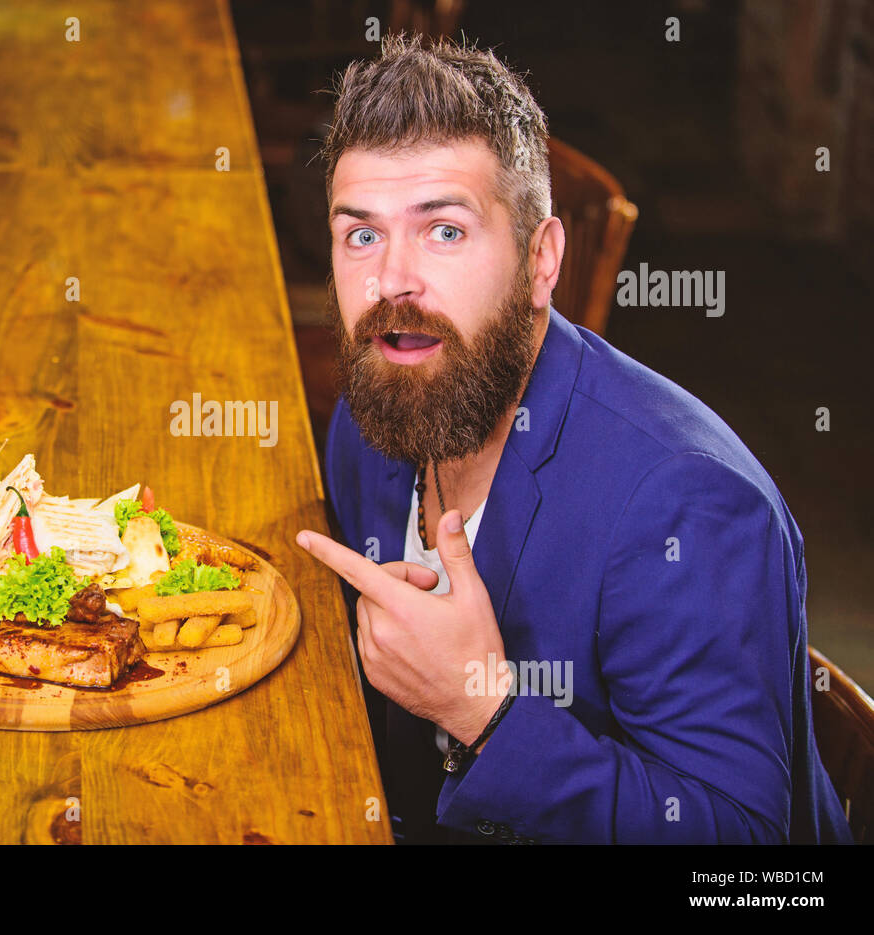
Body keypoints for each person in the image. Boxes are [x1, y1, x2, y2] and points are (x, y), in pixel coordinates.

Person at [296, 33, 851, 844]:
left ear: (542, 257)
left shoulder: (686, 502)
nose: (392, 281)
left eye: (444, 230)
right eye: (362, 234)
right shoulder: (379, 403)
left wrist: (484, 710)